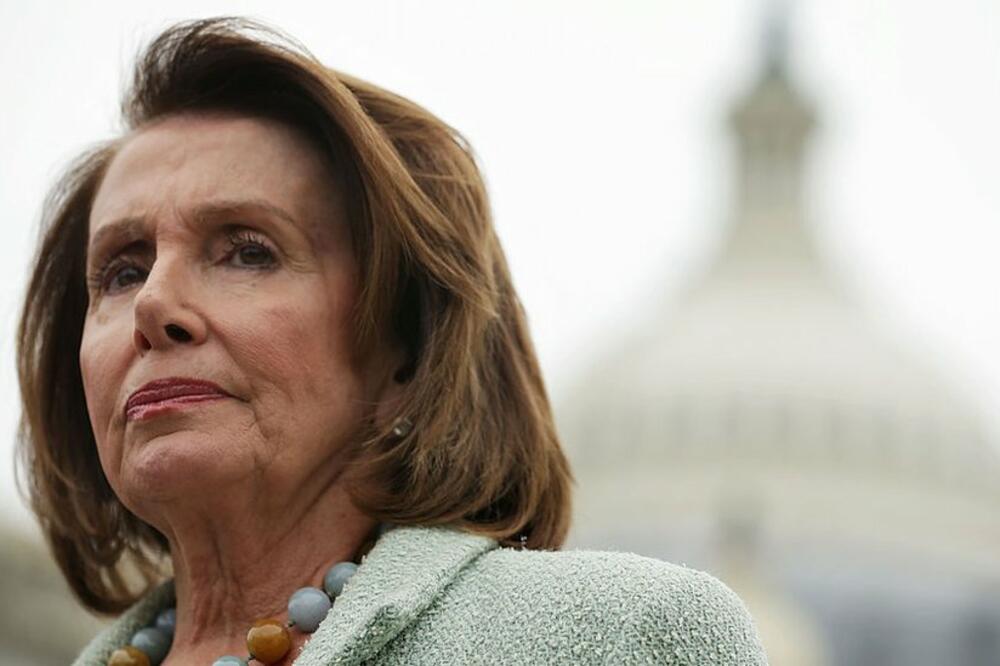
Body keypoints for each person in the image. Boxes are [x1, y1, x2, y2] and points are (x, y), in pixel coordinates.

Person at [16, 17, 767, 666]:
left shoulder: (620, 639)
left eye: (247, 252)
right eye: (122, 271)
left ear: (407, 345)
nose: (154, 304)